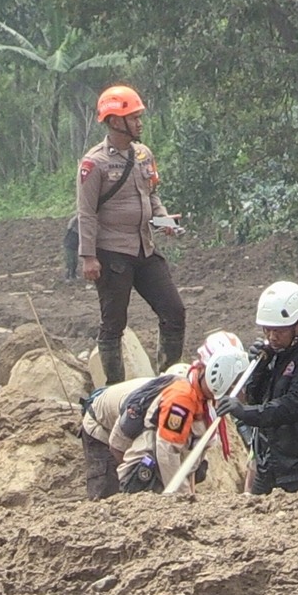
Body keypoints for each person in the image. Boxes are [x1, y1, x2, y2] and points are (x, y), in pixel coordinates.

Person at [77, 85, 186, 385]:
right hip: (112, 254)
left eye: (139, 117)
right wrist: (88, 257)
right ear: (115, 121)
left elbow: (151, 195)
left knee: (174, 312)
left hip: (145, 250)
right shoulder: (94, 163)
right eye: (133, 117)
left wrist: (163, 219)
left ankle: (168, 380)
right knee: (114, 324)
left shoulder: (143, 155)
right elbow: (86, 212)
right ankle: (115, 390)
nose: (139, 123)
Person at [216, 281, 298, 494]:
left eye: (279, 331)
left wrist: (244, 413)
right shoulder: (274, 352)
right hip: (271, 461)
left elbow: (294, 406)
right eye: (267, 330)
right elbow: (256, 397)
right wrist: (259, 366)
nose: (272, 337)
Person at [116, 339, 249, 495]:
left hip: (161, 467)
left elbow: (189, 455)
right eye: (234, 382)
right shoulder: (182, 399)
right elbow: (167, 451)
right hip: (145, 472)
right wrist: (182, 498)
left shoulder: (203, 398)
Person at [79, 376, 152, 499]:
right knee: (106, 490)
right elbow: (116, 446)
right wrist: (131, 474)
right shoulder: (140, 404)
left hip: (122, 422)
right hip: (99, 426)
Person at [63, 214, 79, 282]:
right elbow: (72, 221)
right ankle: (67, 277)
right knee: (69, 262)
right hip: (69, 246)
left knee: (75, 261)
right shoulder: (71, 229)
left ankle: (73, 275)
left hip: (74, 247)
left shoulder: (79, 231)